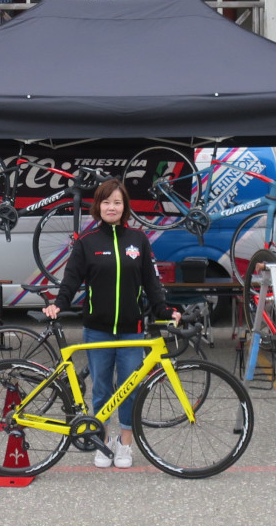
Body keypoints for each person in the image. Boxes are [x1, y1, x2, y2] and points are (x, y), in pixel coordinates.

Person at [43, 177, 179, 469]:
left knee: (129, 388)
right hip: (97, 329)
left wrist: (164, 312)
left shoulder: (138, 240)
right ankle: (102, 441)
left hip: (132, 329)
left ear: (124, 206)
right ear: (98, 207)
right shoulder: (87, 243)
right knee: (102, 388)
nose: (111, 207)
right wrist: (59, 303)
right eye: (106, 202)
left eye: (117, 202)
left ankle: (125, 445)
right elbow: (71, 280)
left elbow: (151, 282)